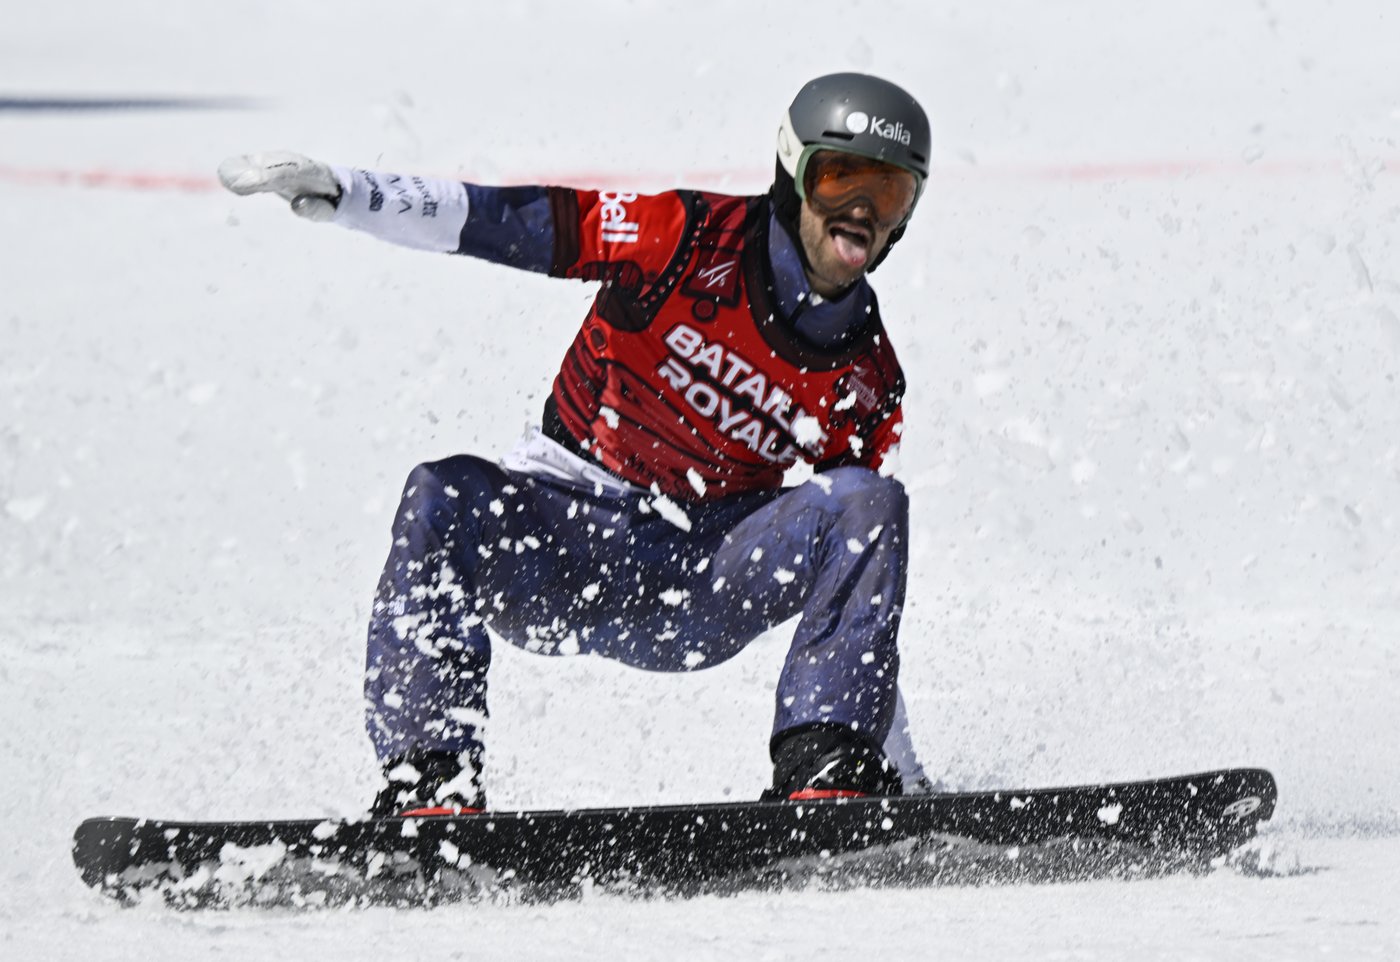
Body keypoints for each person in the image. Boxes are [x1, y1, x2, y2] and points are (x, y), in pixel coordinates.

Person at [219, 72, 934, 816]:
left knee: (871, 502)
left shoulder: (866, 372)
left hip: (701, 587)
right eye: (839, 177)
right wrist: (352, 194)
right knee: (443, 491)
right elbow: (509, 221)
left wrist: (898, 778)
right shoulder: (680, 237)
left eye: (888, 193)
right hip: (562, 553)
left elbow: (855, 591)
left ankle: (830, 771)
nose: (861, 211)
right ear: (792, 172)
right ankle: (430, 784)